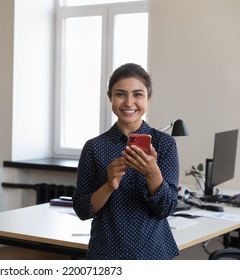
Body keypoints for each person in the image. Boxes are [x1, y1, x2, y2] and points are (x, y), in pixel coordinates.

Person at [72, 63, 179, 260]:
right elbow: (82, 209)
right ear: (110, 97)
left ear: (148, 98)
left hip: (153, 252)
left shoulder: (164, 144)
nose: (129, 103)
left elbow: (168, 208)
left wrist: (152, 172)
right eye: (120, 94)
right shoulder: (94, 147)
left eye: (138, 94)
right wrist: (109, 184)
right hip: (106, 253)